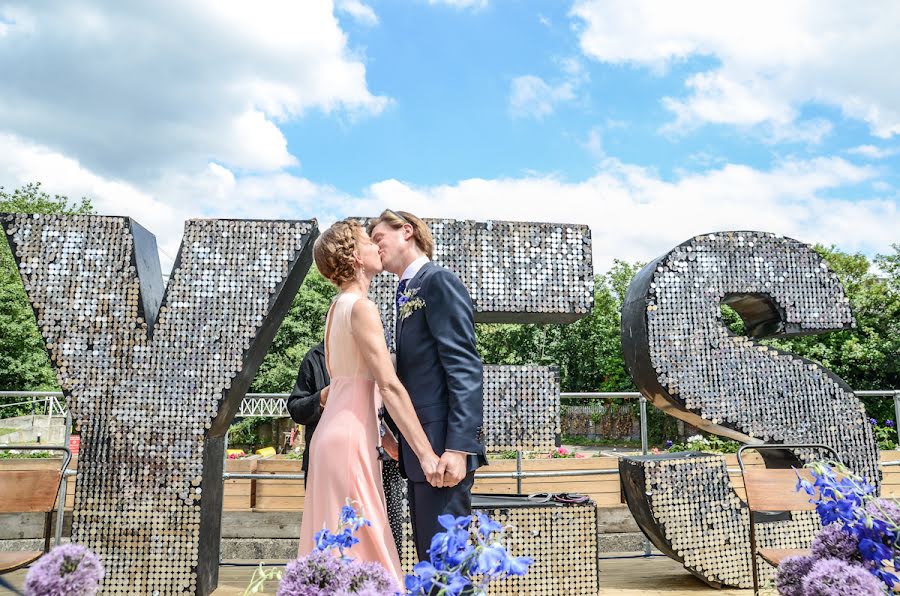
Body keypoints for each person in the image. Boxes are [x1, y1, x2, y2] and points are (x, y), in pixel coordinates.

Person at [297, 219, 441, 583]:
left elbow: (357, 387)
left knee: (337, 555)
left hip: (335, 436)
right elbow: (388, 387)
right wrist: (424, 453)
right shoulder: (362, 307)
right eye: (368, 241)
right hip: (350, 442)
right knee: (366, 550)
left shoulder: (336, 310)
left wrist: (388, 440)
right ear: (354, 257)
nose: (377, 247)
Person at [368, 209, 487, 562]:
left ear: (407, 231)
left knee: (447, 567)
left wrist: (458, 448)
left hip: (442, 452)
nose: (376, 248)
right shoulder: (405, 291)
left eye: (379, 238)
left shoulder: (438, 281)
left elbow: (464, 367)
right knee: (429, 561)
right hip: (420, 450)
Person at [286, 342, 328, 489]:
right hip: (321, 464)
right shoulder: (316, 357)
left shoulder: (370, 352)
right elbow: (295, 408)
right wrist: (321, 399)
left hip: (366, 461)